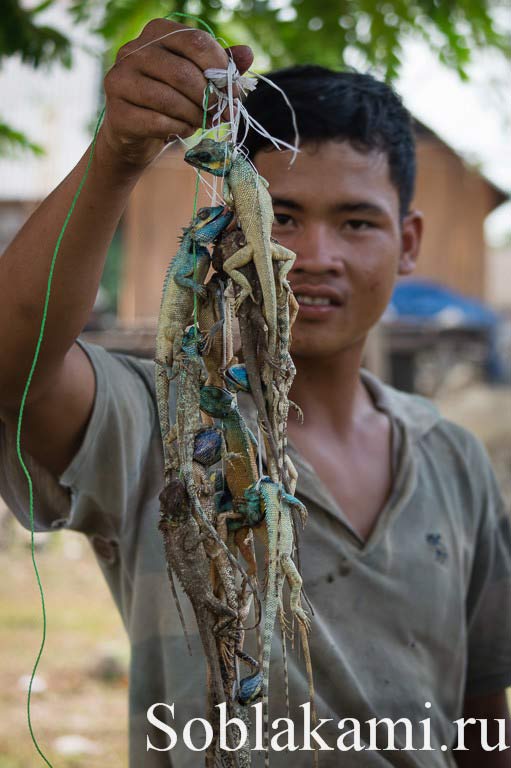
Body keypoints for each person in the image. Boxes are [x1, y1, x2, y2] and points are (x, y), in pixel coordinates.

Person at [0, 18, 510, 768]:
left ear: (407, 243)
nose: (311, 256)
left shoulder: (453, 459)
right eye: (281, 215)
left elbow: (480, 720)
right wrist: (118, 152)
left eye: (356, 221)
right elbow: (15, 368)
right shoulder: (161, 419)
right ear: (218, 226)